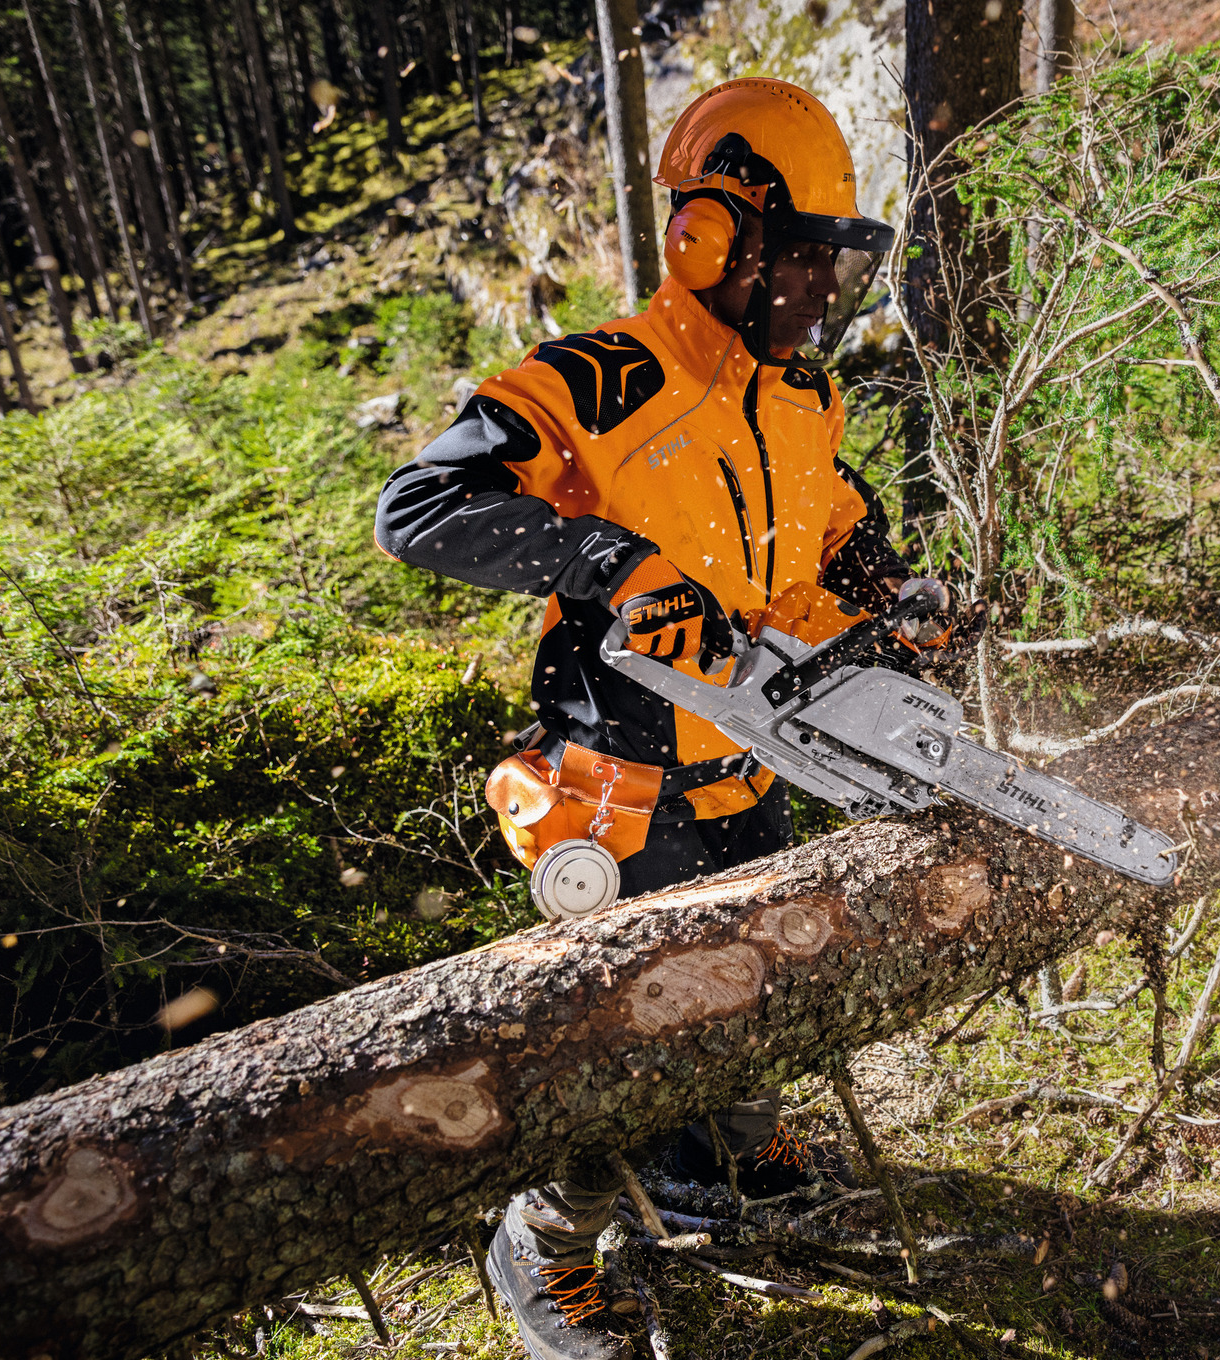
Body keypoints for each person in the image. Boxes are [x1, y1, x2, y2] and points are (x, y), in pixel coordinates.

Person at [374, 79, 953, 1360]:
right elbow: (417, 507)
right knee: (625, 1047)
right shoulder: (605, 376)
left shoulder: (801, 401)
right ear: (712, 237)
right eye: (799, 257)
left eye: (826, 263)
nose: (816, 287)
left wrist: (902, 601)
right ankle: (544, 1241)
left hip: (750, 760)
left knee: (757, 984)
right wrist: (612, 563)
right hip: (618, 782)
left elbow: (835, 544)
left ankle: (721, 1160)